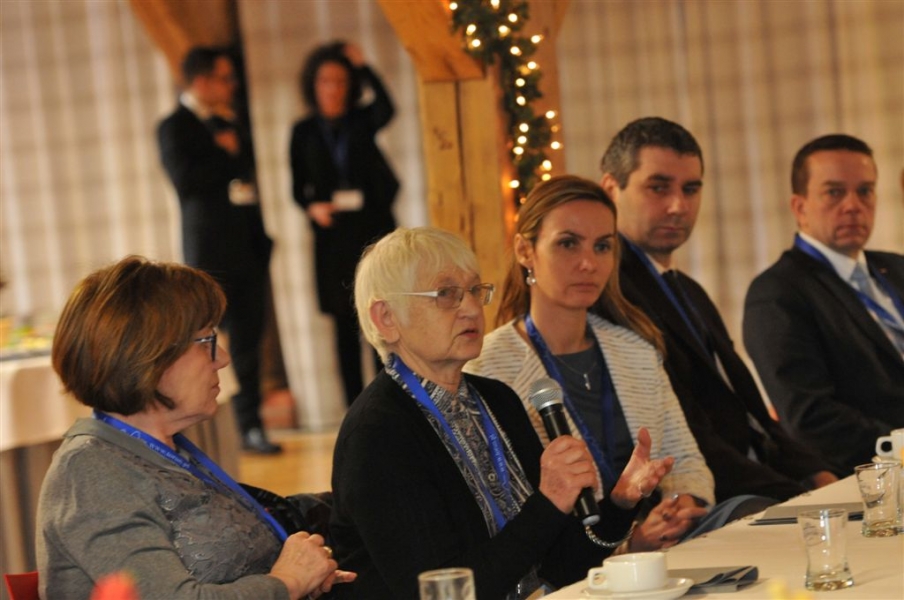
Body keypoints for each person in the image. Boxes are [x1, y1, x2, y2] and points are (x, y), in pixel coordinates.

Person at [330, 227, 672, 599]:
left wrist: (621, 502)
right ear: (386, 318)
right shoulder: (378, 434)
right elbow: (441, 591)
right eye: (446, 294)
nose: (472, 308)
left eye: (475, 290)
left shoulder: (497, 399)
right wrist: (548, 503)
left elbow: (560, 566)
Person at [36, 256, 354, 599]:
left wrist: (308, 570)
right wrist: (287, 582)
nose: (223, 359)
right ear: (149, 357)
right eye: (206, 341)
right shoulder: (89, 473)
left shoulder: (162, 450)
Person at [468, 175, 735, 555]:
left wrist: (678, 508)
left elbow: (687, 462)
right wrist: (628, 545)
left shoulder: (635, 350)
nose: (588, 263)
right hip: (567, 572)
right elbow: (509, 514)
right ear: (525, 251)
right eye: (568, 243)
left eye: (602, 246)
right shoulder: (486, 368)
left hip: (666, 556)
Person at [593, 117, 837, 501]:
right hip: (706, 494)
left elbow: (749, 411)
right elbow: (685, 434)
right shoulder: (610, 292)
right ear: (611, 189)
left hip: (758, 479)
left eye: (690, 189)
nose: (678, 205)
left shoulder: (688, 289)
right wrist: (794, 495)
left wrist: (815, 473)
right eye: (658, 187)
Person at [744, 134, 904, 472]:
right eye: (834, 192)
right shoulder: (777, 293)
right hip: (873, 475)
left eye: (865, 191)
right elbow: (808, 418)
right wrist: (899, 447)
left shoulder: (897, 268)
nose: (853, 205)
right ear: (799, 207)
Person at [158, 46, 280, 453]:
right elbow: (185, 182)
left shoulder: (230, 121)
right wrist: (222, 154)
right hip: (209, 254)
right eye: (225, 78)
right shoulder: (174, 126)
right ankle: (205, 430)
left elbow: (246, 179)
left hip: (248, 249)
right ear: (202, 80)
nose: (232, 86)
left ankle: (251, 426)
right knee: (202, 344)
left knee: (249, 344)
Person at [290, 41, 399, 406]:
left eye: (340, 81)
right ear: (313, 85)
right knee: (344, 323)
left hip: (371, 230)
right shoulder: (304, 131)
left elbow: (387, 108)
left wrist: (364, 67)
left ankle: (389, 401)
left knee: (380, 316)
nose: (333, 89)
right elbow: (297, 189)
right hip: (332, 237)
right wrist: (312, 208)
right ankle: (356, 407)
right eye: (325, 81)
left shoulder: (361, 121)